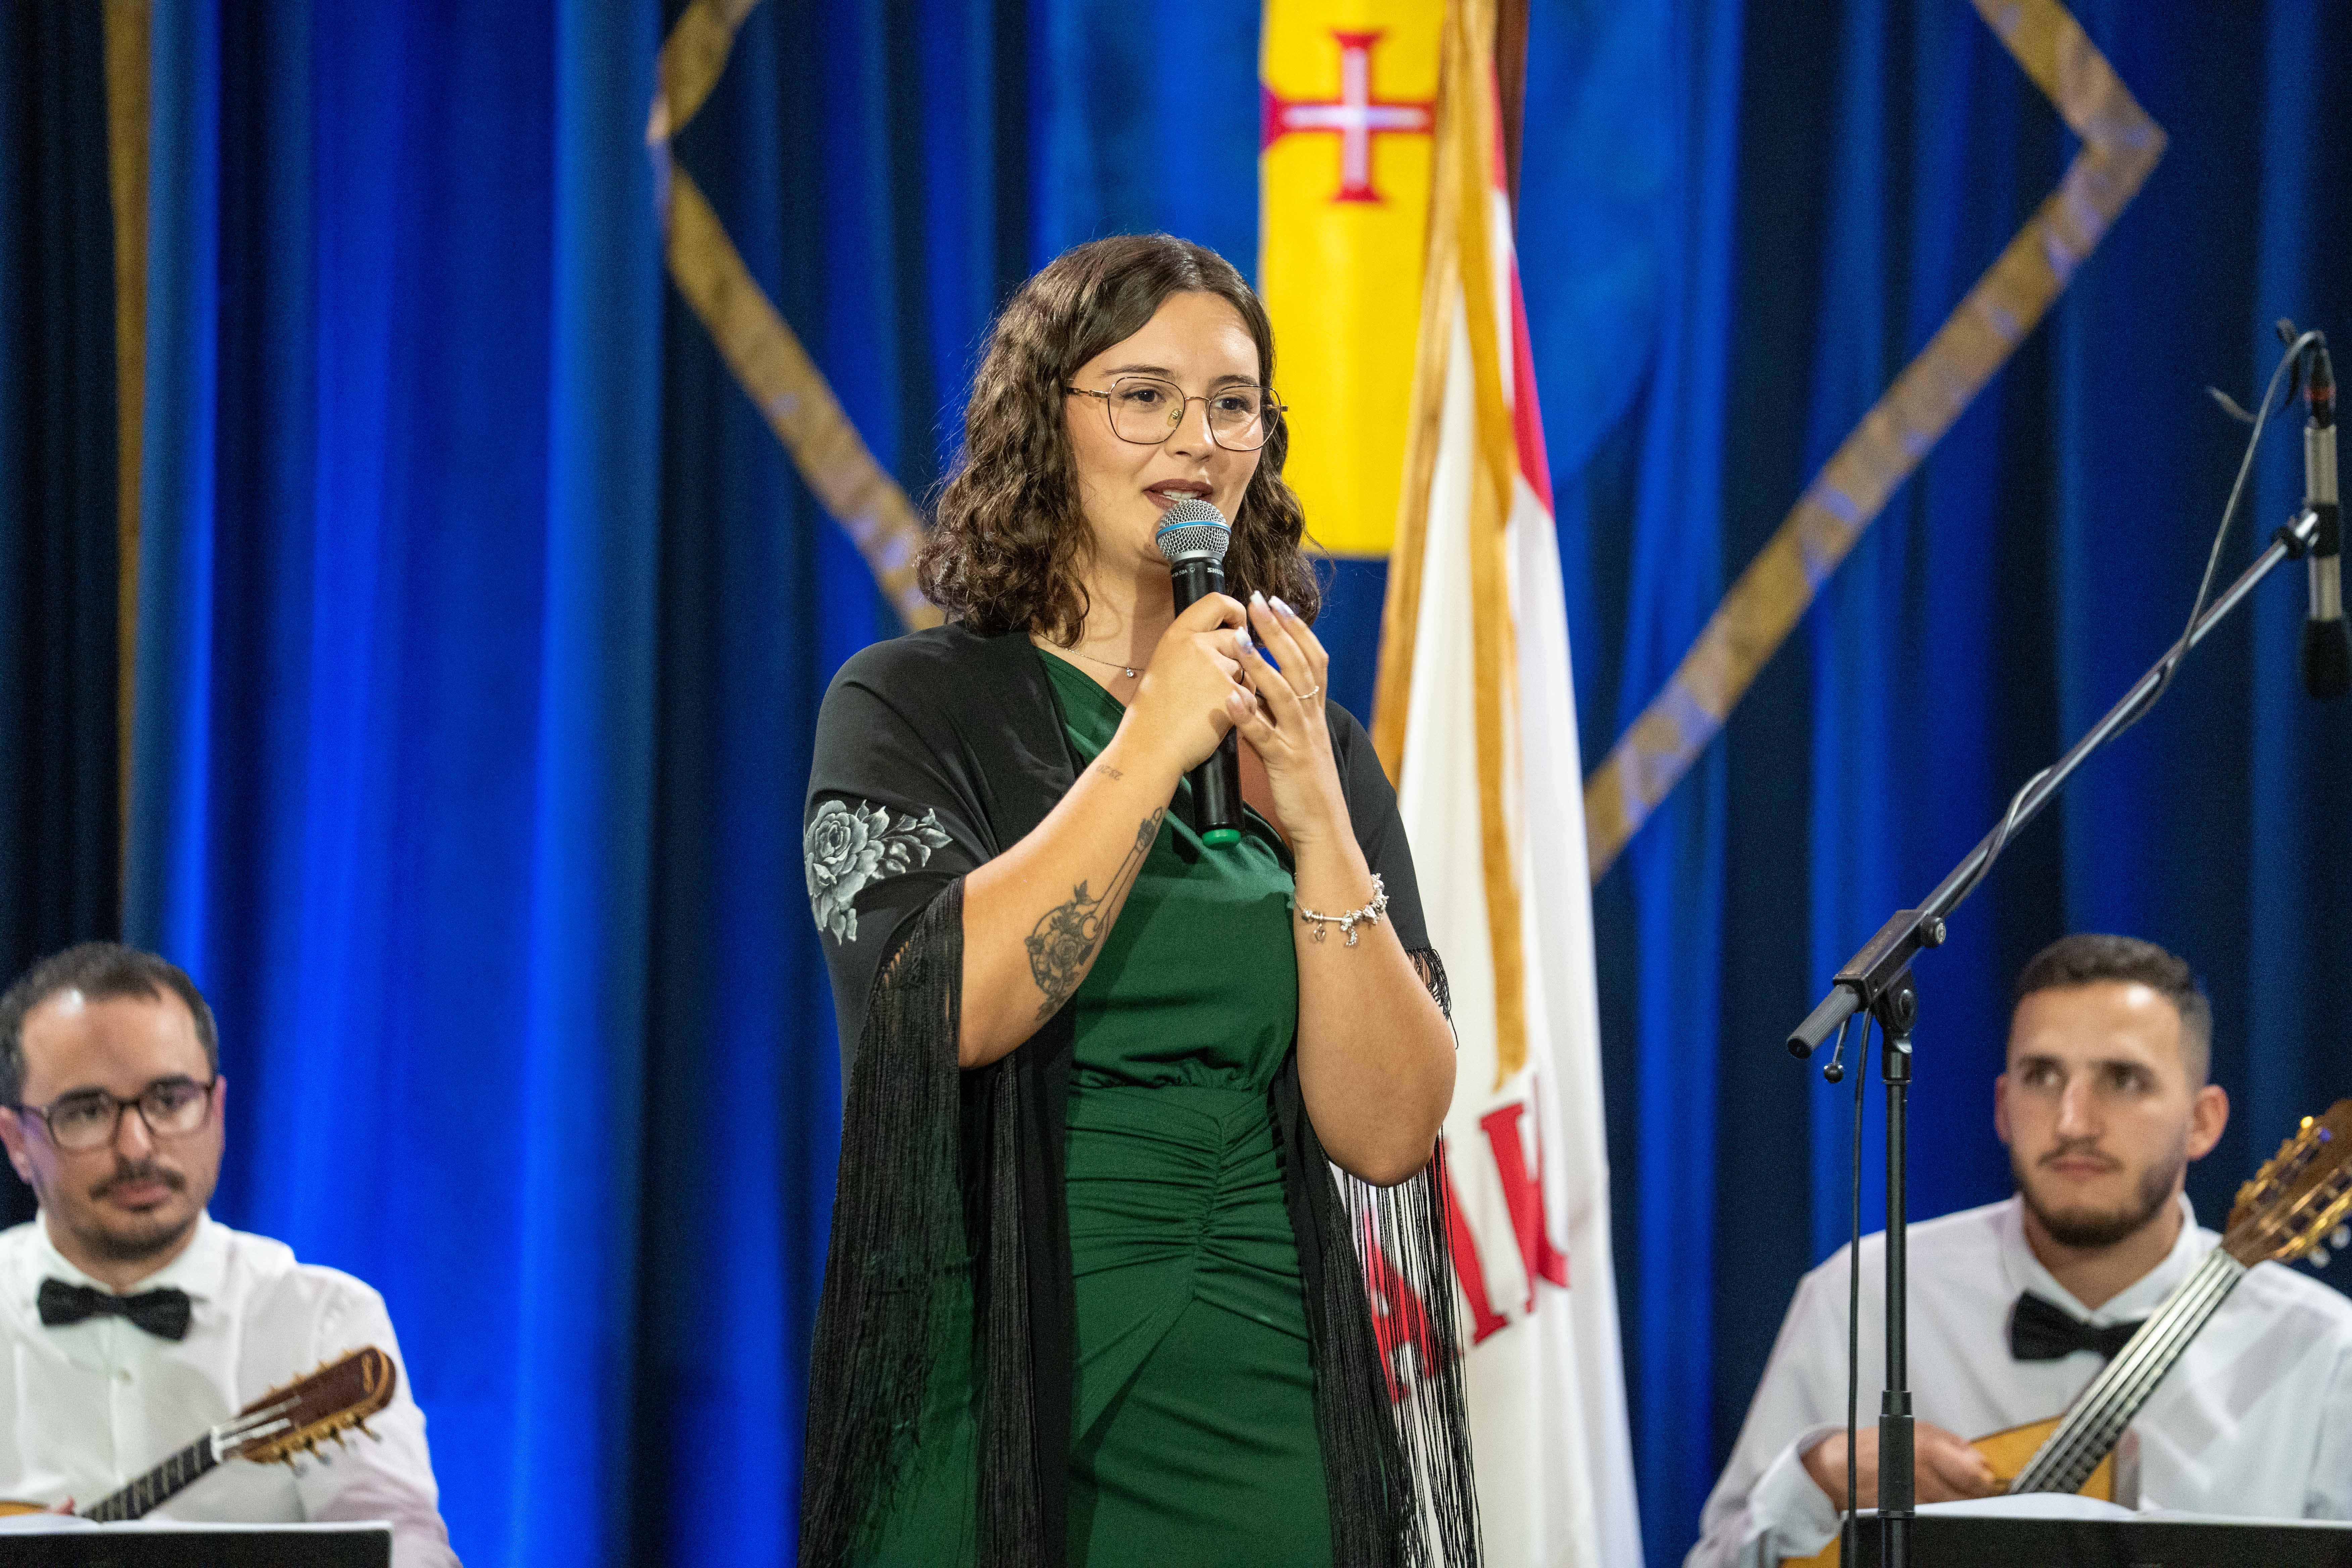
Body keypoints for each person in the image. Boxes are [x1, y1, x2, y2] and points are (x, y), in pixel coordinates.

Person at [796, 233, 1480, 1568]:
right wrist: (1150, 740)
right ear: (1043, 421)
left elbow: (1393, 1125)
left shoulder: (1312, 742)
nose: (1198, 440)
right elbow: (935, 1014)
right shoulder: (909, 706)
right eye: (1145, 394)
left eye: (1234, 405)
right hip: (995, 1364)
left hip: (1265, 1384)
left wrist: (1320, 817)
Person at [1688, 933, 2352, 1567]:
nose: (2074, 1121)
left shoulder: (2324, 1350)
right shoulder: (1865, 1294)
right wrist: (1820, 1476)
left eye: (2123, 1079)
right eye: (2042, 1076)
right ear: (2004, 1106)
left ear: (2203, 1120)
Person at [0, 942, 458, 1568]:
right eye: (86, 1112)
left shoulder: (323, 1319)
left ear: (215, 1109)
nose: (137, 1146)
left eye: (169, 1100)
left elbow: (402, 1543)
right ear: (17, 1141)